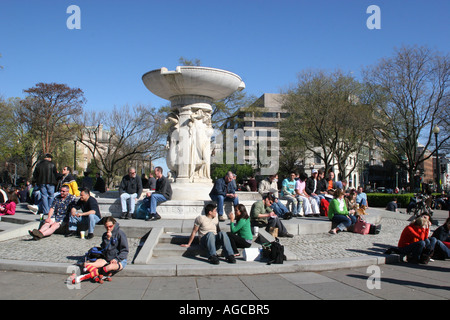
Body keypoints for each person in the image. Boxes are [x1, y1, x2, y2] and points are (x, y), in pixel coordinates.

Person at [73, 217, 129, 283]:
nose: (108, 228)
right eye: (106, 227)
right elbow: (105, 249)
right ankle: (99, 274)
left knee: (109, 267)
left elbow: (125, 250)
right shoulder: (105, 235)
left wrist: (116, 259)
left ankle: (85, 276)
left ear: (114, 224)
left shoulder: (120, 234)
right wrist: (108, 239)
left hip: (119, 260)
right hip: (107, 259)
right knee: (87, 264)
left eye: (110, 226)